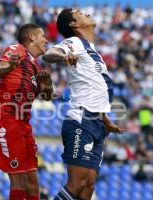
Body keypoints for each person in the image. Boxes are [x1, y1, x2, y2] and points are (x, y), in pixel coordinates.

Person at [43, 9, 125, 200]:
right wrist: (64, 57)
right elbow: (49, 54)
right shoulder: (75, 42)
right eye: (79, 13)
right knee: (77, 183)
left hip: (97, 123)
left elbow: (96, 91)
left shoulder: (92, 50)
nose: (85, 13)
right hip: (82, 119)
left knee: (88, 187)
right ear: (73, 24)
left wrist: (106, 120)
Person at [0, 23, 53, 200]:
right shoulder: (17, 50)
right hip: (6, 118)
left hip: (24, 123)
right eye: (42, 36)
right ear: (31, 37)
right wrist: (9, 67)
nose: (46, 40)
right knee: (17, 180)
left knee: (33, 182)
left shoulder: (37, 67)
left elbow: (47, 96)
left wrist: (48, 85)